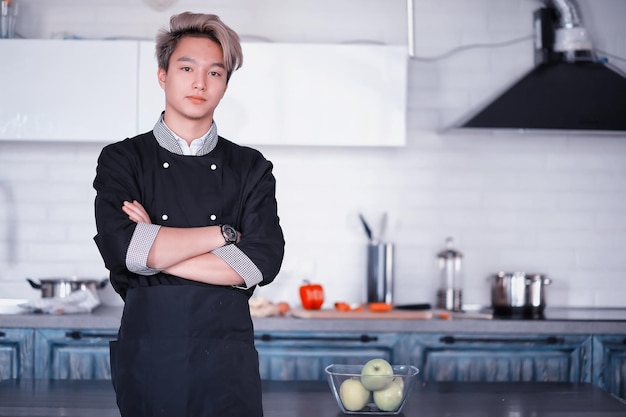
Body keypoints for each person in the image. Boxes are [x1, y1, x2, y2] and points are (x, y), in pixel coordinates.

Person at [93, 12, 285, 417]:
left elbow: (259, 264)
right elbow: (126, 252)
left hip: (226, 361)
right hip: (150, 356)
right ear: (163, 75)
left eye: (215, 72)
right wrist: (224, 235)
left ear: (225, 84)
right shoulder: (122, 160)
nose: (200, 83)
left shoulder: (251, 167)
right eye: (186, 68)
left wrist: (157, 247)